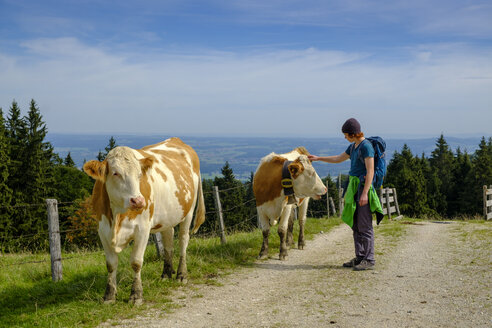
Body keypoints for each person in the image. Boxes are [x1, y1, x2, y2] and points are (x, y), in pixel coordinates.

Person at [308, 118, 383, 271]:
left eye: (346, 134)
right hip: (353, 188)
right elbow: (338, 158)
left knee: (365, 225)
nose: (345, 137)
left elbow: (370, 171)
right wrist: (318, 158)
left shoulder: (366, 147)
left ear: (353, 134)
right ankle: (360, 257)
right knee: (356, 225)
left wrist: (365, 194)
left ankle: (369, 259)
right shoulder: (353, 146)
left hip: (362, 188)